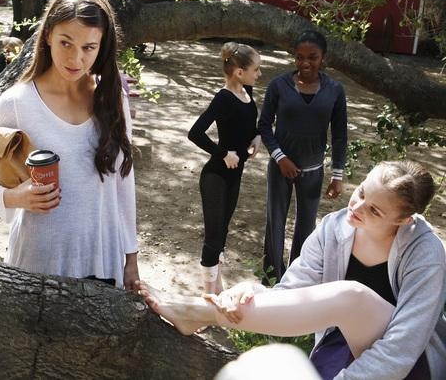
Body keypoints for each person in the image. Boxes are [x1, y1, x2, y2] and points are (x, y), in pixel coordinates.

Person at [138, 160, 446, 379]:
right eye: (361, 192)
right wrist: (252, 291)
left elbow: (402, 349)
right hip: (341, 349)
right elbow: (291, 296)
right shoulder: (335, 228)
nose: (357, 207)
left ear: (403, 221)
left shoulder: (426, 253)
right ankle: (200, 312)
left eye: (374, 210)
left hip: (407, 366)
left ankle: (196, 311)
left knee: (352, 296)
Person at [0, 0, 139, 289]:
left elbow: (124, 184)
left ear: (102, 46)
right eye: (66, 42)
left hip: (103, 257)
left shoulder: (112, 99)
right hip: (38, 262)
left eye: (89, 47)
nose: (76, 58)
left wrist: (132, 259)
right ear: (47, 35)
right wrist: (14, 197)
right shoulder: (17, 102)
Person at [257, 29, 347, 281]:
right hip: (280, 168)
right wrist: (280, 158)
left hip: (312, 171)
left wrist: (337, 175)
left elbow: (340, 135)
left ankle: (298, 279)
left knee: (307, 228)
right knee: (275, 223)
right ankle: (272, 277)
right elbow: (264, 125)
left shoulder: (334, 90)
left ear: (323, 58)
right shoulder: (279, 85)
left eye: (312, 57)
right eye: (299, 57)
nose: (305, 63)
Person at [188, 42, 262, 294]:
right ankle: (209, 297)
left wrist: (256, 137)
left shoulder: (247, 91)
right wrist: (223, 153)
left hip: (234, 175)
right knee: (213, 237)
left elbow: (248, 123)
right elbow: (195, 133)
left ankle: (217, 288)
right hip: (216, 176)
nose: (259, 74)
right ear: (239, 71)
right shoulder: (223, 98)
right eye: (256, 69)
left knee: (222, 232)